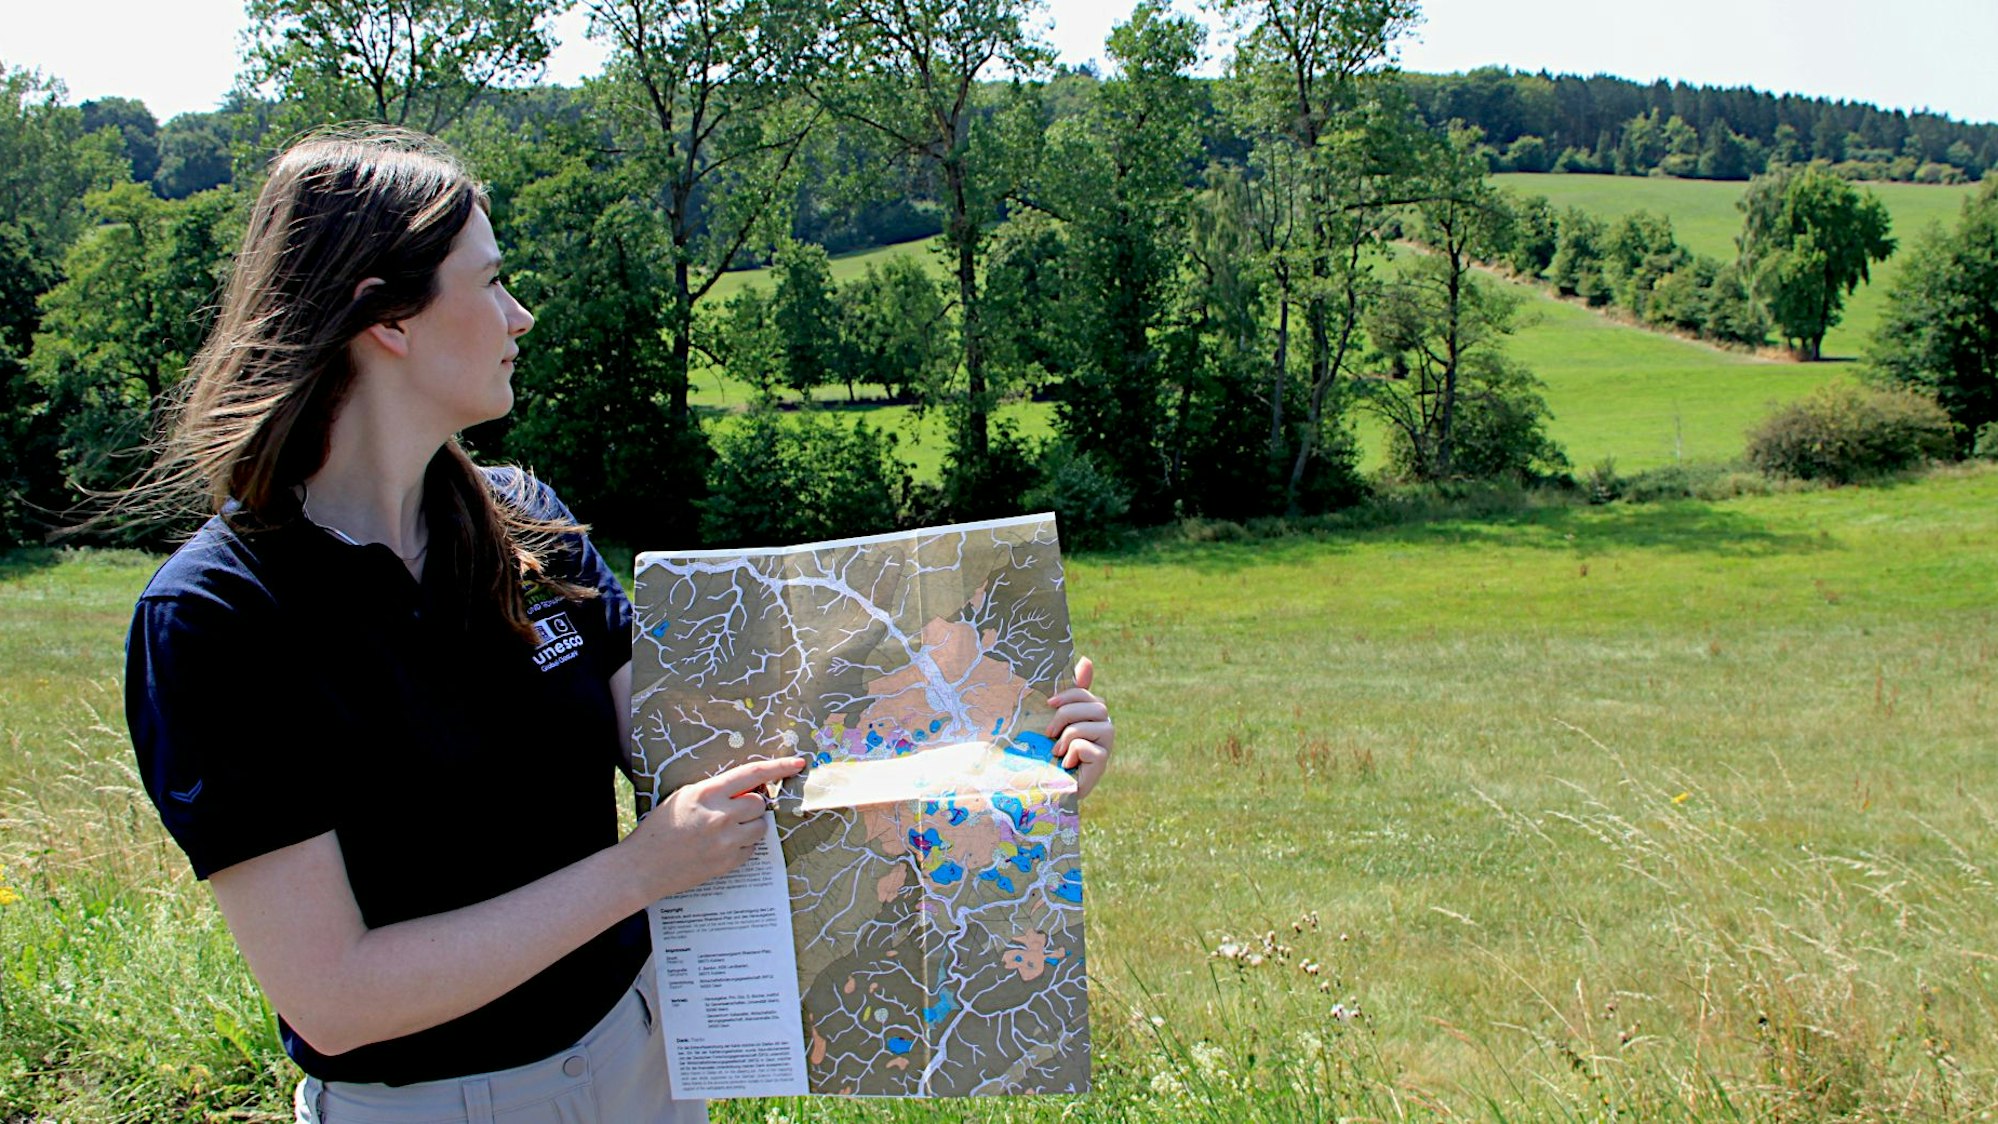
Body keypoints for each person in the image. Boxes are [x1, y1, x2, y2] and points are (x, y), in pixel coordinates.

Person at [124, 128, 1116, 1124]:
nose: (521, 315)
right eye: (492, 281)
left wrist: (1004, 755)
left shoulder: (524, 524)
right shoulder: (218, 617)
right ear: (386, 316)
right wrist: (637, 872)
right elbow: (335, 997)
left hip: (646, 1065)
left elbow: (730, 757)